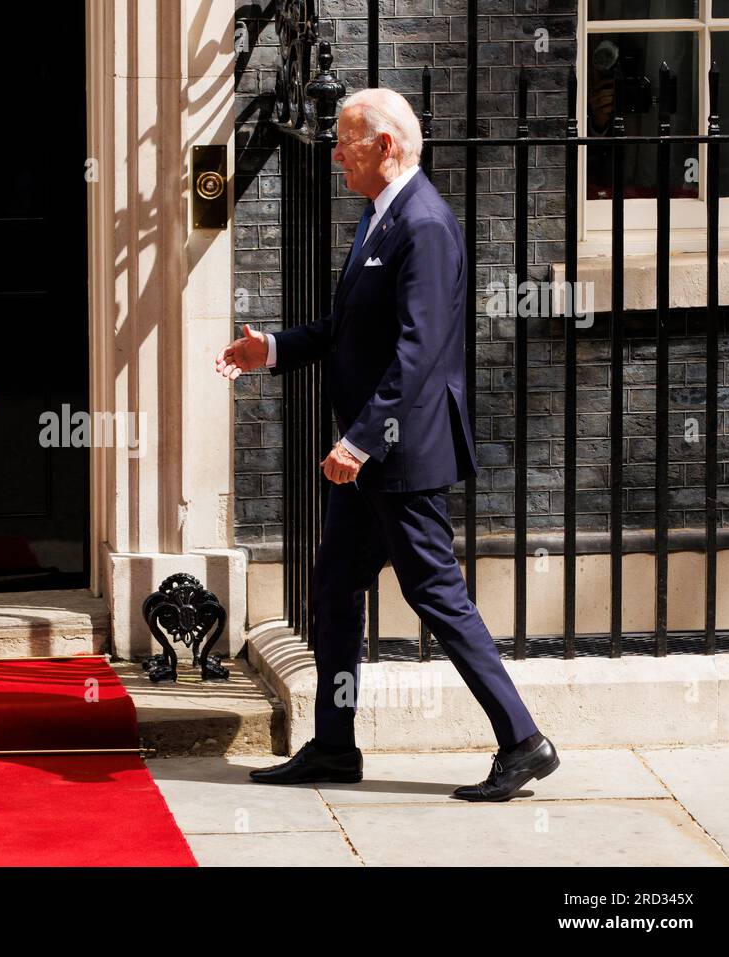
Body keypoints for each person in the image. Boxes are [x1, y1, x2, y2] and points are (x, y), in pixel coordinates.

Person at [215, 88, 559, 801]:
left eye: (345, 141)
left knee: (437, 594)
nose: (335, 152)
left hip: (399, 456)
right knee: (335, 588)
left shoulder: (424, 224)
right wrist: (270, 349)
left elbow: (419, 350)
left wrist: (362, 440)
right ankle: (335, 745)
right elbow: (348, 330)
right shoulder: (381, 217)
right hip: (374, 458)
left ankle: (523, 740)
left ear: (387, 146)